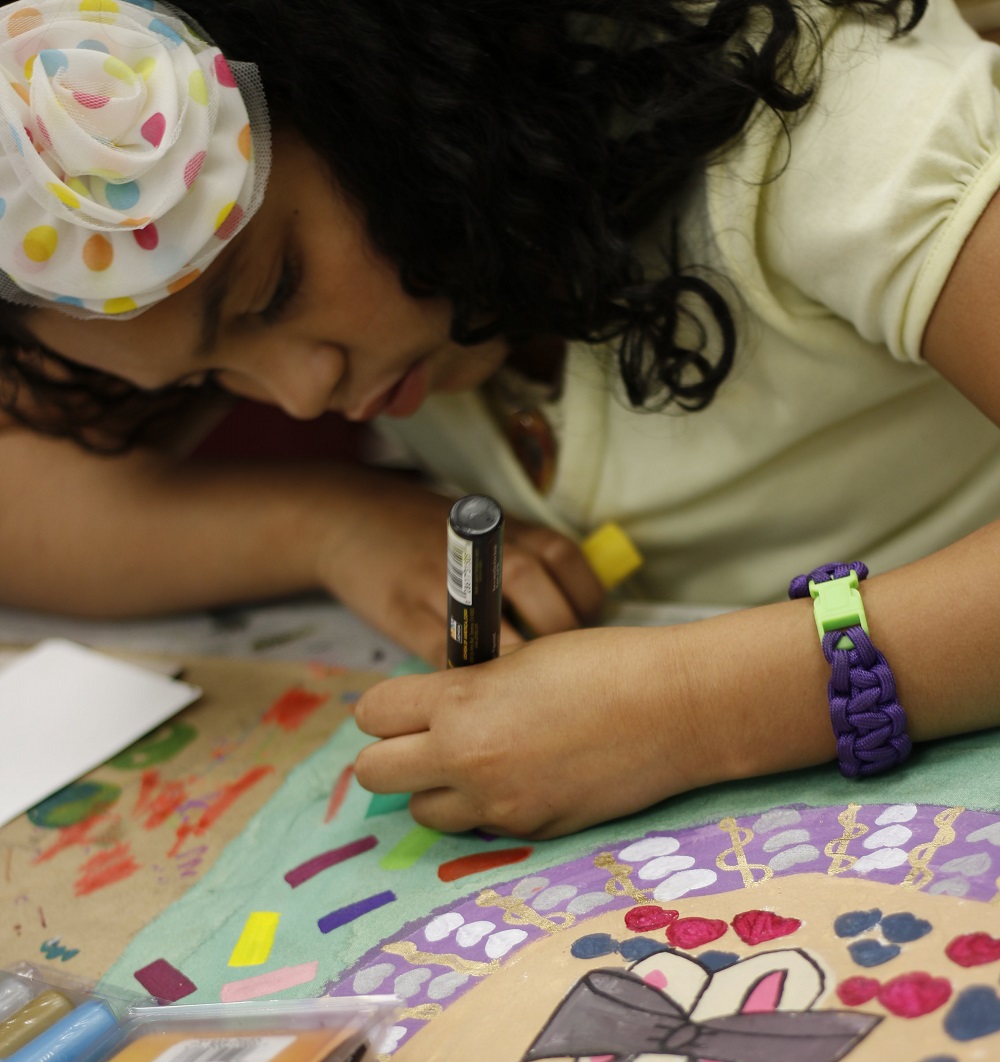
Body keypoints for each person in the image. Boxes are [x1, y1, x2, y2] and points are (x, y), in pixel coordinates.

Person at [0, 0, 996, 839]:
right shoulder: (411, 290)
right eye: (201, 382)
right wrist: (334, 525)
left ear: (384, 93)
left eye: (274, 293)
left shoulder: (828, 130)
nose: (300, 396)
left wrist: (695, 709)